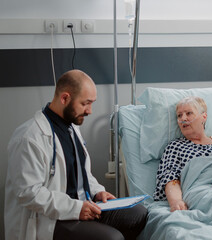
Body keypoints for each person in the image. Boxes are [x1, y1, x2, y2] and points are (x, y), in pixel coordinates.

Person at [4, 69, 148, 240]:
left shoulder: (71, 128)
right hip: (53, 217)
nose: (90, 111)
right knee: (112, 238)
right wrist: (76, 209)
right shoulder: (29, 138)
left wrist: (97, 192)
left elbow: (82, 174)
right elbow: (29, 193)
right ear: (65, 98)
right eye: (86, 103)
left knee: (138, 213)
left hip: (84, 204)